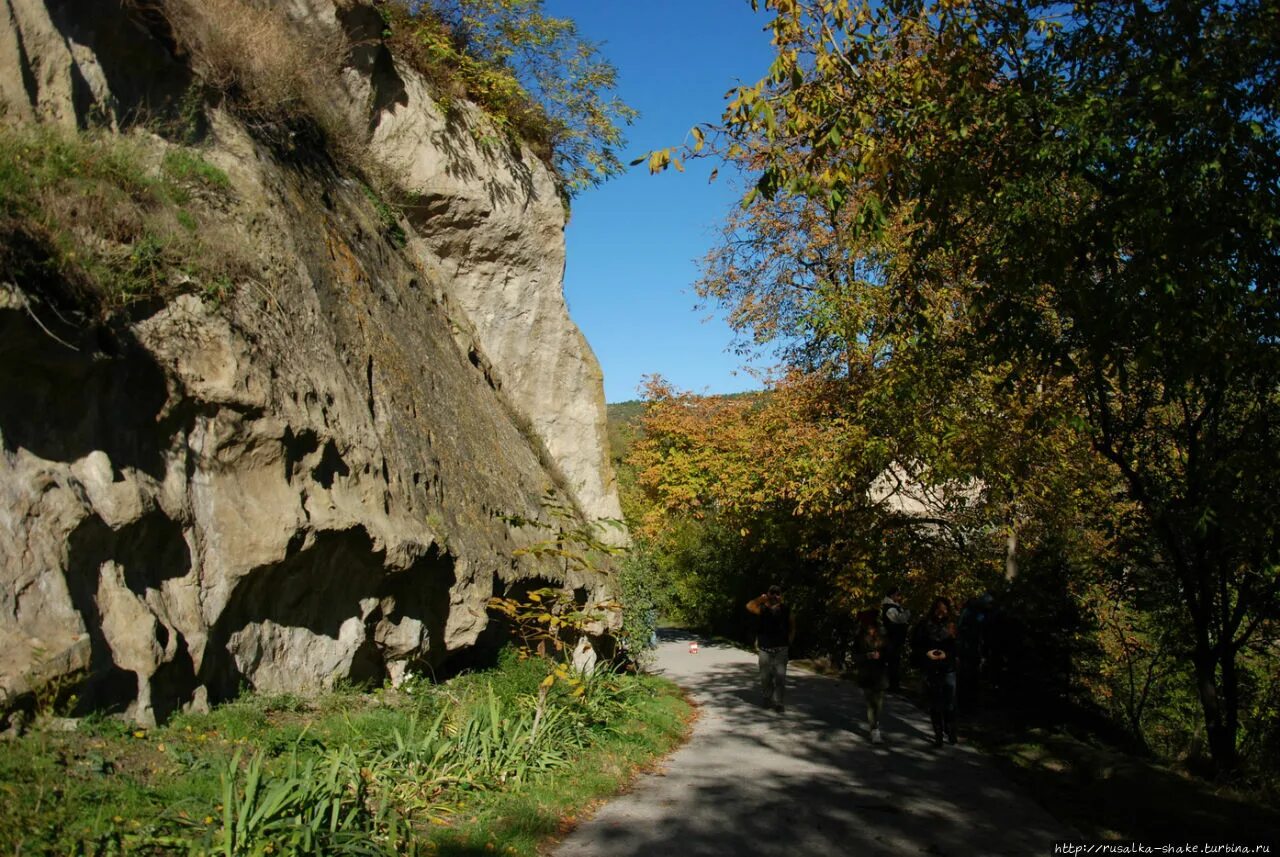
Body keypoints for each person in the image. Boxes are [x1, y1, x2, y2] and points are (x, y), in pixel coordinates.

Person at [913, 596, 958, 746]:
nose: (941, 612)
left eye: (943, 609)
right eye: (938, 609)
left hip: (948, 667)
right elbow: (916, 644)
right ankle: (938, 734)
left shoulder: (952, 625)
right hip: (931, 667)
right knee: (935, 702)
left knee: (949, 701)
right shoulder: (925, 625)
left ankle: (950, 729)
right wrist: (927, 653)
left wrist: (948, 654)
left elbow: (958, 646)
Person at [746, 585, 794, 712]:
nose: (774, 596)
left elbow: (792, 625)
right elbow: (749, 606)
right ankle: (767, 698)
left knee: (780, 677)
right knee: (765, 677)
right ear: (768, 594)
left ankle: (779, 703)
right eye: (772, 593)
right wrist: (760, 599)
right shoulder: (762, 609)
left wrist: (789, 640)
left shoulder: (785, 609)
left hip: (781, 649)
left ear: (781, 596)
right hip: (765, 649)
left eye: (777, 593)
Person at [853, 608, 890, 742]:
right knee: (870, 703)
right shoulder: (859, 637)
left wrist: (882, 656)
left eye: (871, 626)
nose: (870, 629)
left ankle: (876, 723)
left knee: (878, 703)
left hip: (880, 673)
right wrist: (867, 656)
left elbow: (888, 653)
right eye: (867, 626)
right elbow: (855, 656)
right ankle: (874, 729)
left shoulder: (883, 635)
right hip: (866, 673)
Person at [880, 588, 911, 691]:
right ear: (892, 596)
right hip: (892, 638)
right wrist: (907, 613)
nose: (900, 597)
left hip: (895, 638)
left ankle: (893, 684)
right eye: (898, 595)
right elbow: (899, 619)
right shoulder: (890, 608)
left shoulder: (894, 607)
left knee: (894, 661)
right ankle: (892, 685)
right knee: (893, 661)